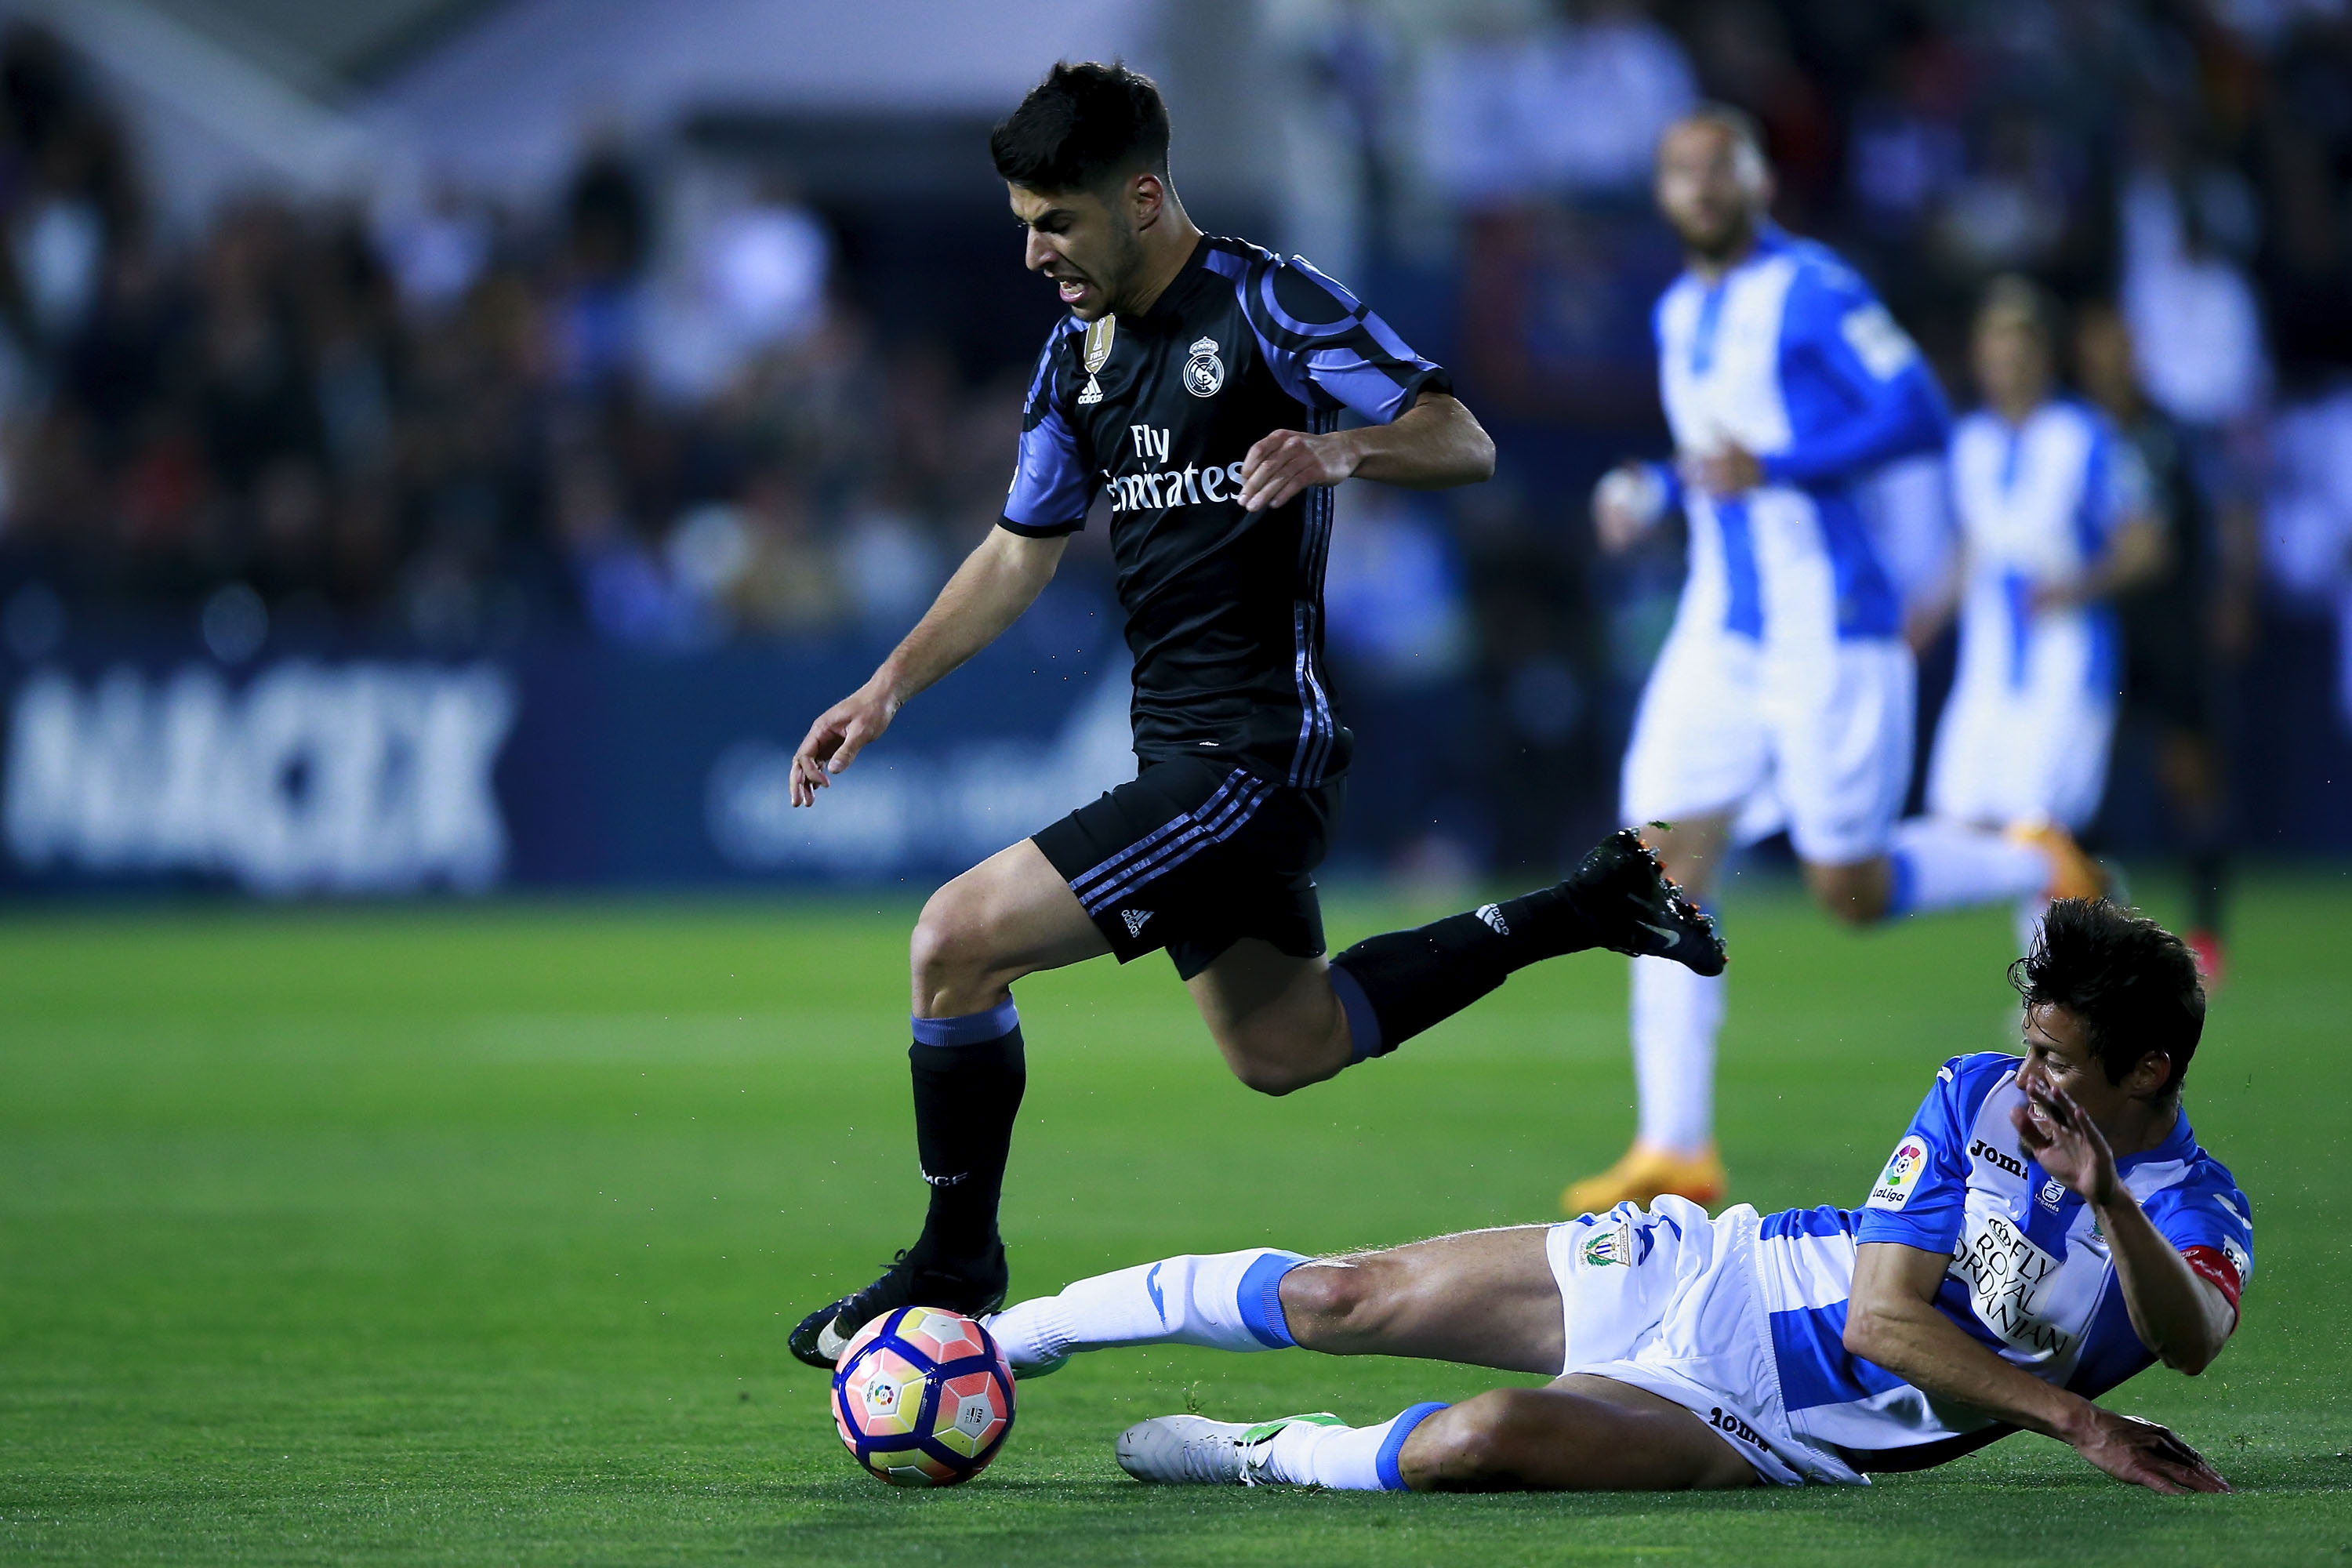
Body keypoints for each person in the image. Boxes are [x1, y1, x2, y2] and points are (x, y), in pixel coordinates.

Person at [785, 62, 1725, 1370]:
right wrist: (886, 686)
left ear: (1143, 197)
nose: (1034, 253)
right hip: (1184, 752)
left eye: (1056, 222)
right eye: (1023, 223)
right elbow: (1016, 551)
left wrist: (1339, 448)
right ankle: (1583, 906)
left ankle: (955, 1260)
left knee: (954, 941)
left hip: (1251, 758)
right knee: (1290, 1044)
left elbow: (1461, 437)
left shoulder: (1269, 302)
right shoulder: (1075, 358)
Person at [989, 901, 2248, 1497]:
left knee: (1476, 1445)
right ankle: (1008, 1338)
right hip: (1707, 1272)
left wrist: (2109, 1204)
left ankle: (1263, 1455)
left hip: (1761, 1427)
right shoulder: (1977, 1094)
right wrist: (2081, 1426)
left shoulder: (2200, 1210)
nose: (2031, 1079)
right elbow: (1880, 1320)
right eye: (2029, 1047)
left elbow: (2186, 1339)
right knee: (1340, 1295)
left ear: (2147, 1071)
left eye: (2059, 1061)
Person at [1573, 111, 2095, 1216]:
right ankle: (1675, 1148)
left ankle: (2032, 860)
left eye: (1718, 169)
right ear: (1661, 192)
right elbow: (1714, 458)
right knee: (1656, 861)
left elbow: (1915, 414)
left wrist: (1780, 464)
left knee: (1848, 891)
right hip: (1722, 629)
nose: (1700, 189)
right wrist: (1655, 488)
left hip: (1831, 629)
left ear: (1758, 180)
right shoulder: (1678, 310)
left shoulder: (1813, 288)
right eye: (1679, 173)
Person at [2075, 299, 2250, 982]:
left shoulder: (2171, 431)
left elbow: (2227, 508)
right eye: (2096, 350)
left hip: (2171, 623)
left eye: (2116, 347)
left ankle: (2207, 932)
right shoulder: (2076, 434)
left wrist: (2232, 591)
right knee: (2090, 780)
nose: (2107, 363)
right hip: (2102, 629)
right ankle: (2101, 931)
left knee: (2192, 778)